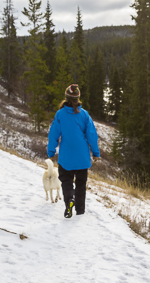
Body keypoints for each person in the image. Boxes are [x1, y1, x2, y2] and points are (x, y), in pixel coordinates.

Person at [47, 84, 100, 218]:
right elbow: (92, 135)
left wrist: (51, 151)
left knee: (66, 180)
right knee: (81, 184)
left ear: (66, 97)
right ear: (78, 98)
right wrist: (95, 152)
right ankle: (80, 210)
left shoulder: (60, 114)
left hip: (66, 157)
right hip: (82, 157)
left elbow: (53, 133)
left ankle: (69, 200)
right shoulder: (84, 115)